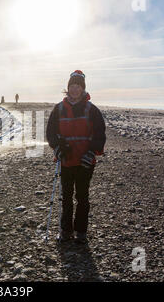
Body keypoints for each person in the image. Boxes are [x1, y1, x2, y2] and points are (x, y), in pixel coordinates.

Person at [46, 70, 106, 244]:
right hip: (65, 159)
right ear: (68, 87)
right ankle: (66, 231)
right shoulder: (58, 109)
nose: (74, 89)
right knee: (65, 196)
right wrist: (57, 147)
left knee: (82, 197)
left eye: (78, 86)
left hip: (85, 161)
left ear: (83, 88)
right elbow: (50, 132)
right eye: (72, 85)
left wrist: (92, 152)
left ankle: (81, 232)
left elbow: (99, 134)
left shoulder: (91, 110)